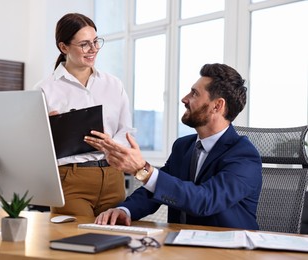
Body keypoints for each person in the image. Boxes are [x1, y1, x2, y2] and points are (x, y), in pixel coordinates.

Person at [84, 63, 263, 229]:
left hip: (228, 250)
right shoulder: (183, 147)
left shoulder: (244, 155)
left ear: (217, 105)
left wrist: (142, 169)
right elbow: (154, 191)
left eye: (194, 94)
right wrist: (124, 210)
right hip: (180, 244)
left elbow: (205, 200)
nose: (184, 99)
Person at [35, 13, 134, 217]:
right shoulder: (44, 90)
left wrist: (110, 144)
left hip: (113, 176)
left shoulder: (113, 84)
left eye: (96, 42)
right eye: (85, 44)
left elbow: (126, 130)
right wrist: (51, 130)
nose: (93, 49)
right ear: (64, 47)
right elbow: (33, 146)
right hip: (71, 179)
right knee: (74, 241)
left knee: (113, 241)